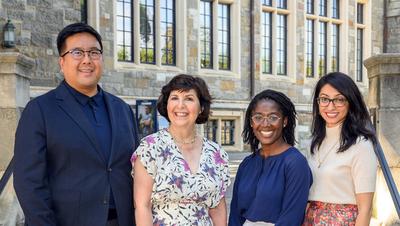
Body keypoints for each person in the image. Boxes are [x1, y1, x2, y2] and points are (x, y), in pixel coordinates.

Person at [13, 22, 139, 226]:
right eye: (77, 52)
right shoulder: (39, 111)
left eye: (94, 52)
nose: (87, 60)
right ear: (62, 62)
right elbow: (29, 183)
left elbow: (136, 171)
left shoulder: (122, 109)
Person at [132, 74, 230, 225]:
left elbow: (217, 208)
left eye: (189, 98)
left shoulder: (216, 153)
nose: (180, 105)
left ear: (201, 107)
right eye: (174, 98)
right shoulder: (150, 148)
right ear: (167, 105)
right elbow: (142, 207)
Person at [229, 89, 312, 226]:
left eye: (273, 117)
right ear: (251, 122)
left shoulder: (295, 163)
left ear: (284, 121)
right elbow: (235, 215)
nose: (265, 124)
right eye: (258, 117)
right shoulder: (247, 164)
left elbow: (291, 218)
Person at [303, 72, 378, 225]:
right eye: (324, 99)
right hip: (310, 220)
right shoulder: (313, 142)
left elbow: (366, 209)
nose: (330, 106)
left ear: (350, 102)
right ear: (318, 102)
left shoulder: (361, 146)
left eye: (339, 99)